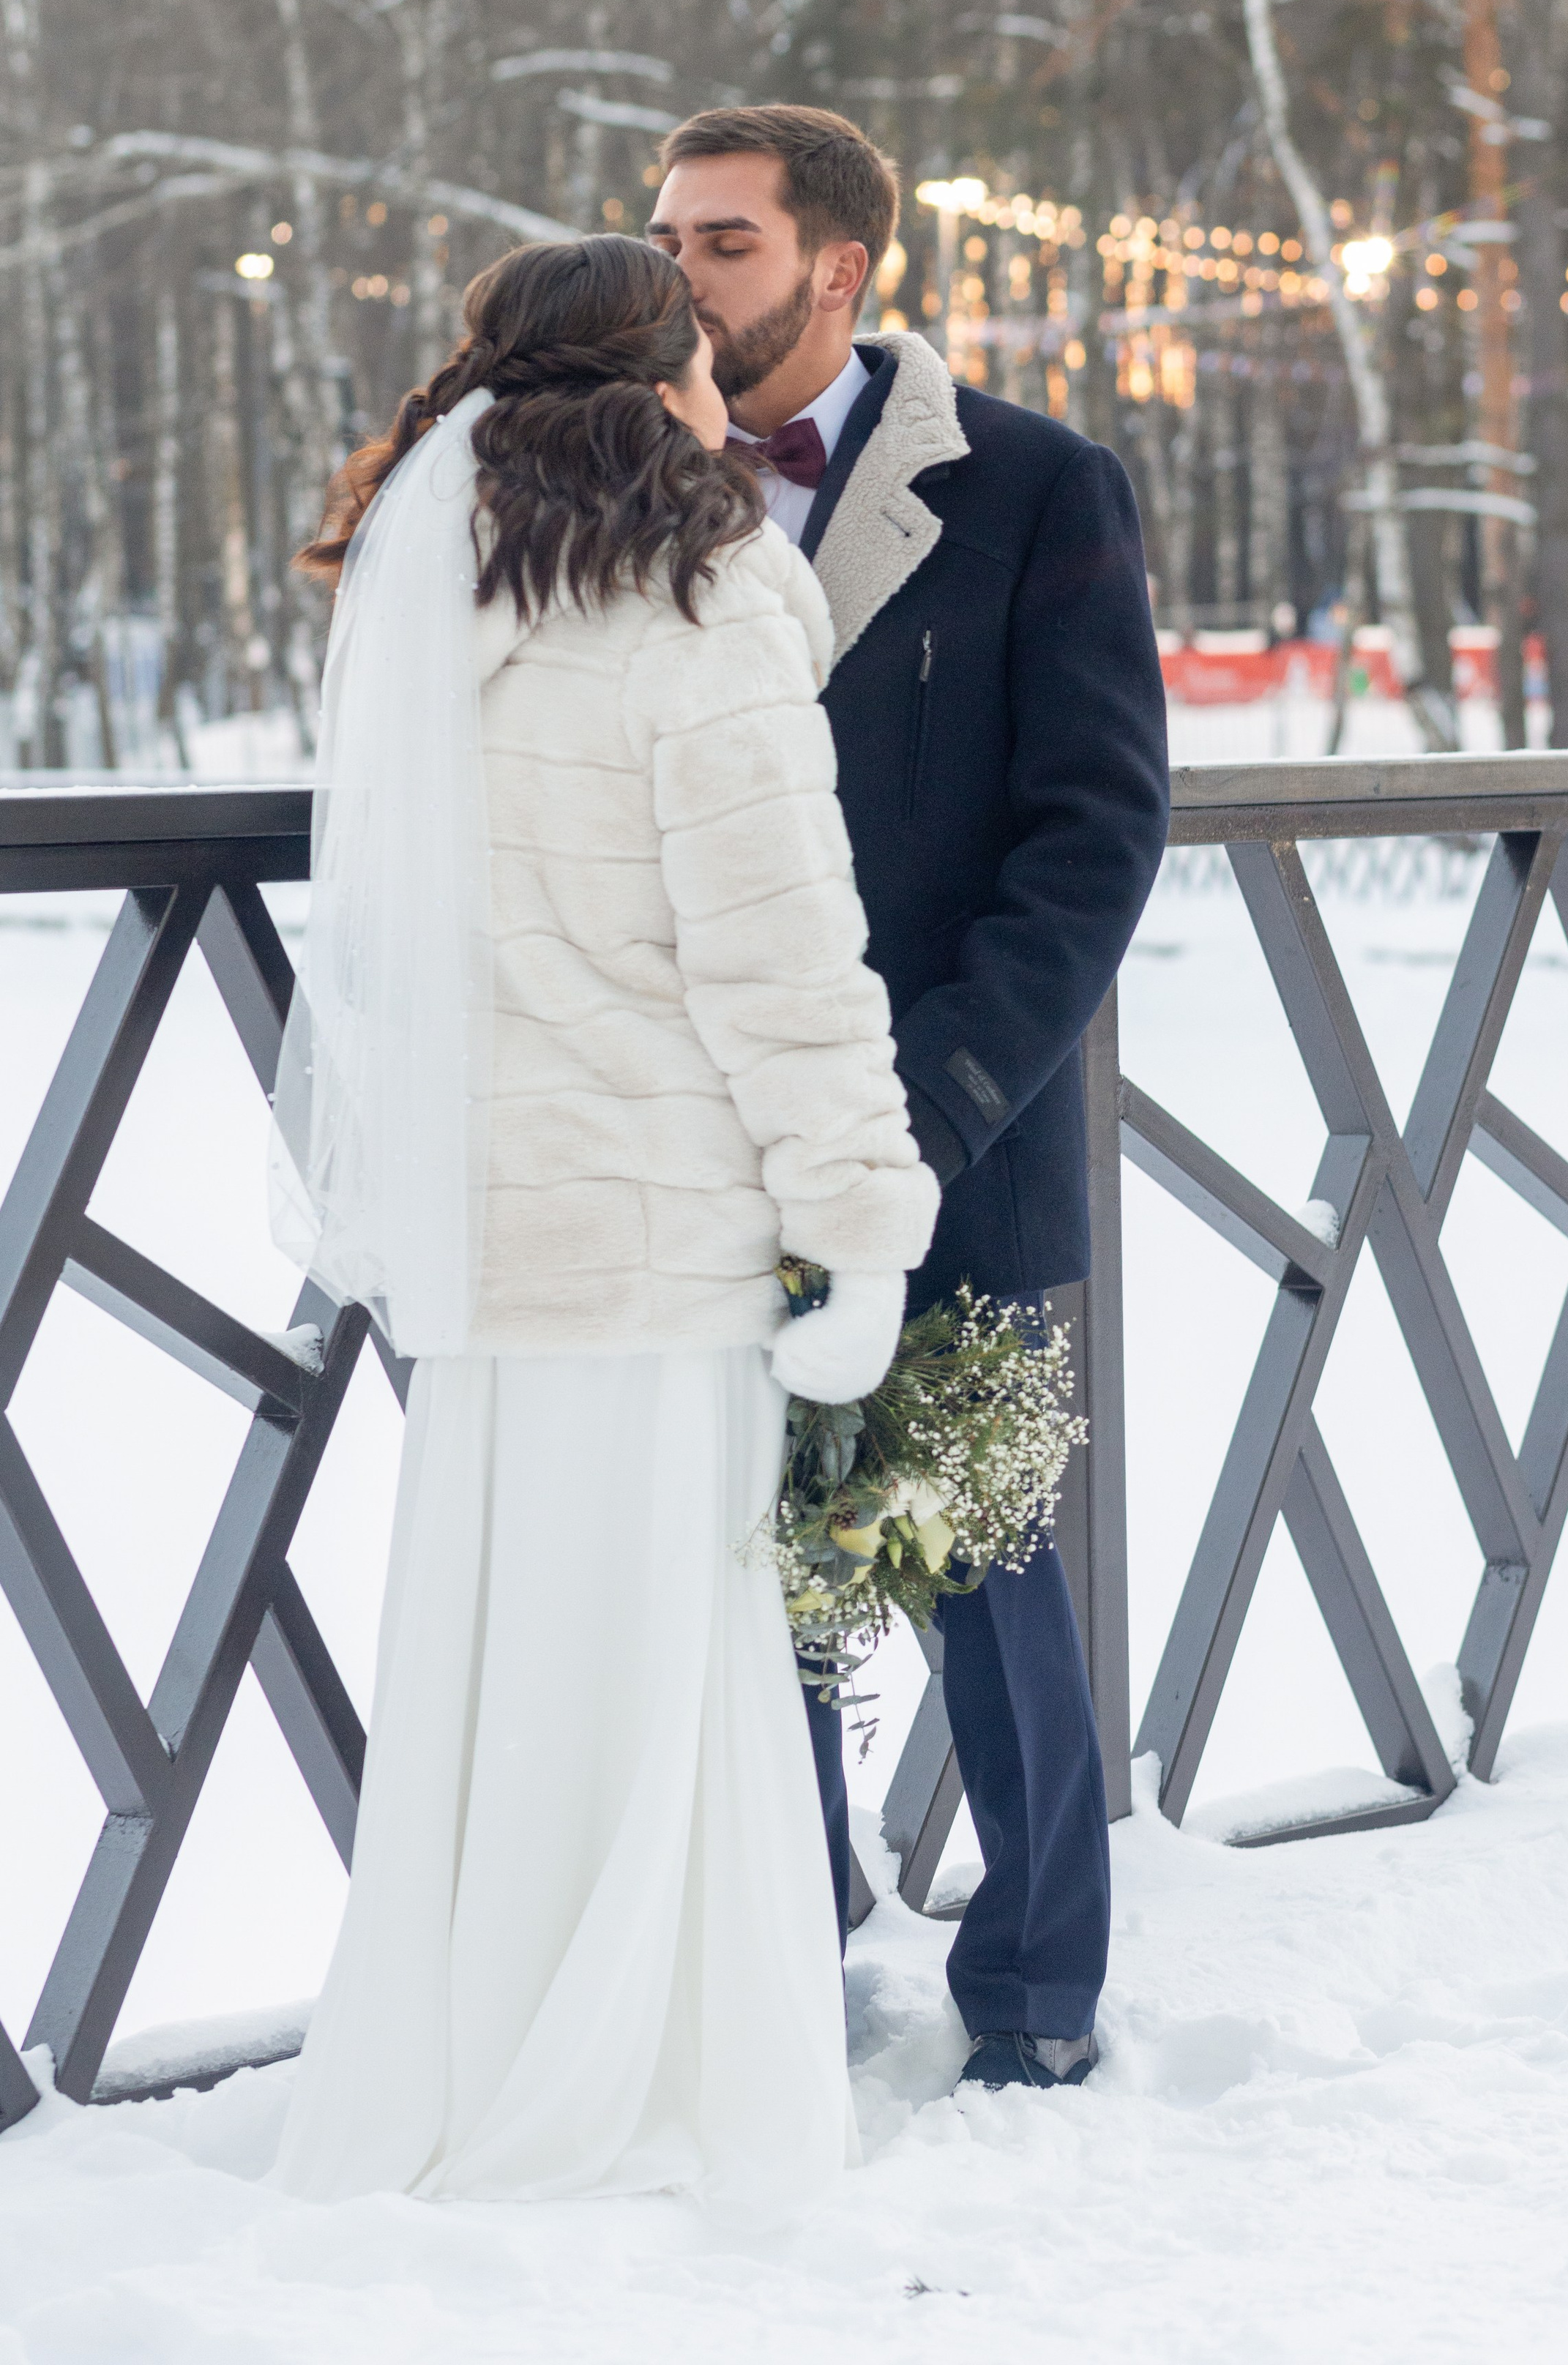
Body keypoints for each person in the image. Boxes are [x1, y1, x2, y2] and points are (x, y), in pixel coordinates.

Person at [267, 233, 938, 2208]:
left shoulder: (432, 576)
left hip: (488, 1230)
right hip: (652, 1223)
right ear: (669, 387)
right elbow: (782, 957)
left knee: (499, 1663)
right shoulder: (709, 587)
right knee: (662, 1670)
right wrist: (863, 1225)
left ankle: (469, 2062)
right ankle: (647, 2088)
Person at [649, 107, 1170, 2093]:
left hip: (957, 1113)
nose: (676, 278)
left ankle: (1039, 1994)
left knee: (983, 1566)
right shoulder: (630, 484)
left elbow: (1096, 833)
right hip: (706, 1132)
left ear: (837, 272)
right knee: (752, 1552)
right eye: (666, 237)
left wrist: (934, 1098)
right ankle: (794, 1942)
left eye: (722, 243)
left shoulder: (1038, 484)